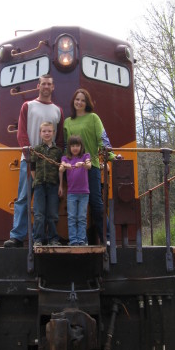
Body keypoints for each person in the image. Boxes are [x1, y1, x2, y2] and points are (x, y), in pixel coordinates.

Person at [4, 75, 64, 248]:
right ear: (38, 86)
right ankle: (17, 236)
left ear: (53, 87)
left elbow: (59, 139)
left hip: (50, 164)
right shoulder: (27, 106)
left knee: (51, 199)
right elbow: (21, 132)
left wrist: (56, 156)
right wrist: (28, 153)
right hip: (29, 160)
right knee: (24, 197)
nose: (46, 86)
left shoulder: (58, 110)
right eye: (43, 83)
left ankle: (49, 236)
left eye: (49, 84)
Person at [63, 89, 114, 243]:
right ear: (73, 101)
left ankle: (107, 237)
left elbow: (102, 138)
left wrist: (111, 155)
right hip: (73, 170)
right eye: (77, 99)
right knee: (74, 205)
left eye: (83, 100)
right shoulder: (67, 122)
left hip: (91, 167)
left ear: (87, 103)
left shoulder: (93, 118)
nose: (79, 102)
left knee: (96, 202)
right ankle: (77, 239)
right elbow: (66, 145)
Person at [31, 122, 63, 246]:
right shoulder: (37, 150)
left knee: (53, 214)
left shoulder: (58, 151)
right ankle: (38, 239)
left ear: (53, 133)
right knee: (39, 214)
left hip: (53, 185)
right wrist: (36, 180)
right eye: (44, 131)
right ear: (40, 133)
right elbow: (32, 167)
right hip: (39, 186)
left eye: (49, 131)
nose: (47, 133)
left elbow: (61, 170)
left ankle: (53, 239)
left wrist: (60, 186)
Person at [59, 136, 91, 246]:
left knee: (82, 217)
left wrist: (82, 164)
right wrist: (64, 166)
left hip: (84, 193)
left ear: (81, 147)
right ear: (69, 147)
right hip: (71, 193)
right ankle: (73, 241)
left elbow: (89, 166)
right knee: (72, 217)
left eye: (77, 145)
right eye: (72, 146)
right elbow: (61, 169)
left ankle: (81, 240)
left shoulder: (85, 156)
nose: (75, 148)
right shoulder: (65, 158)